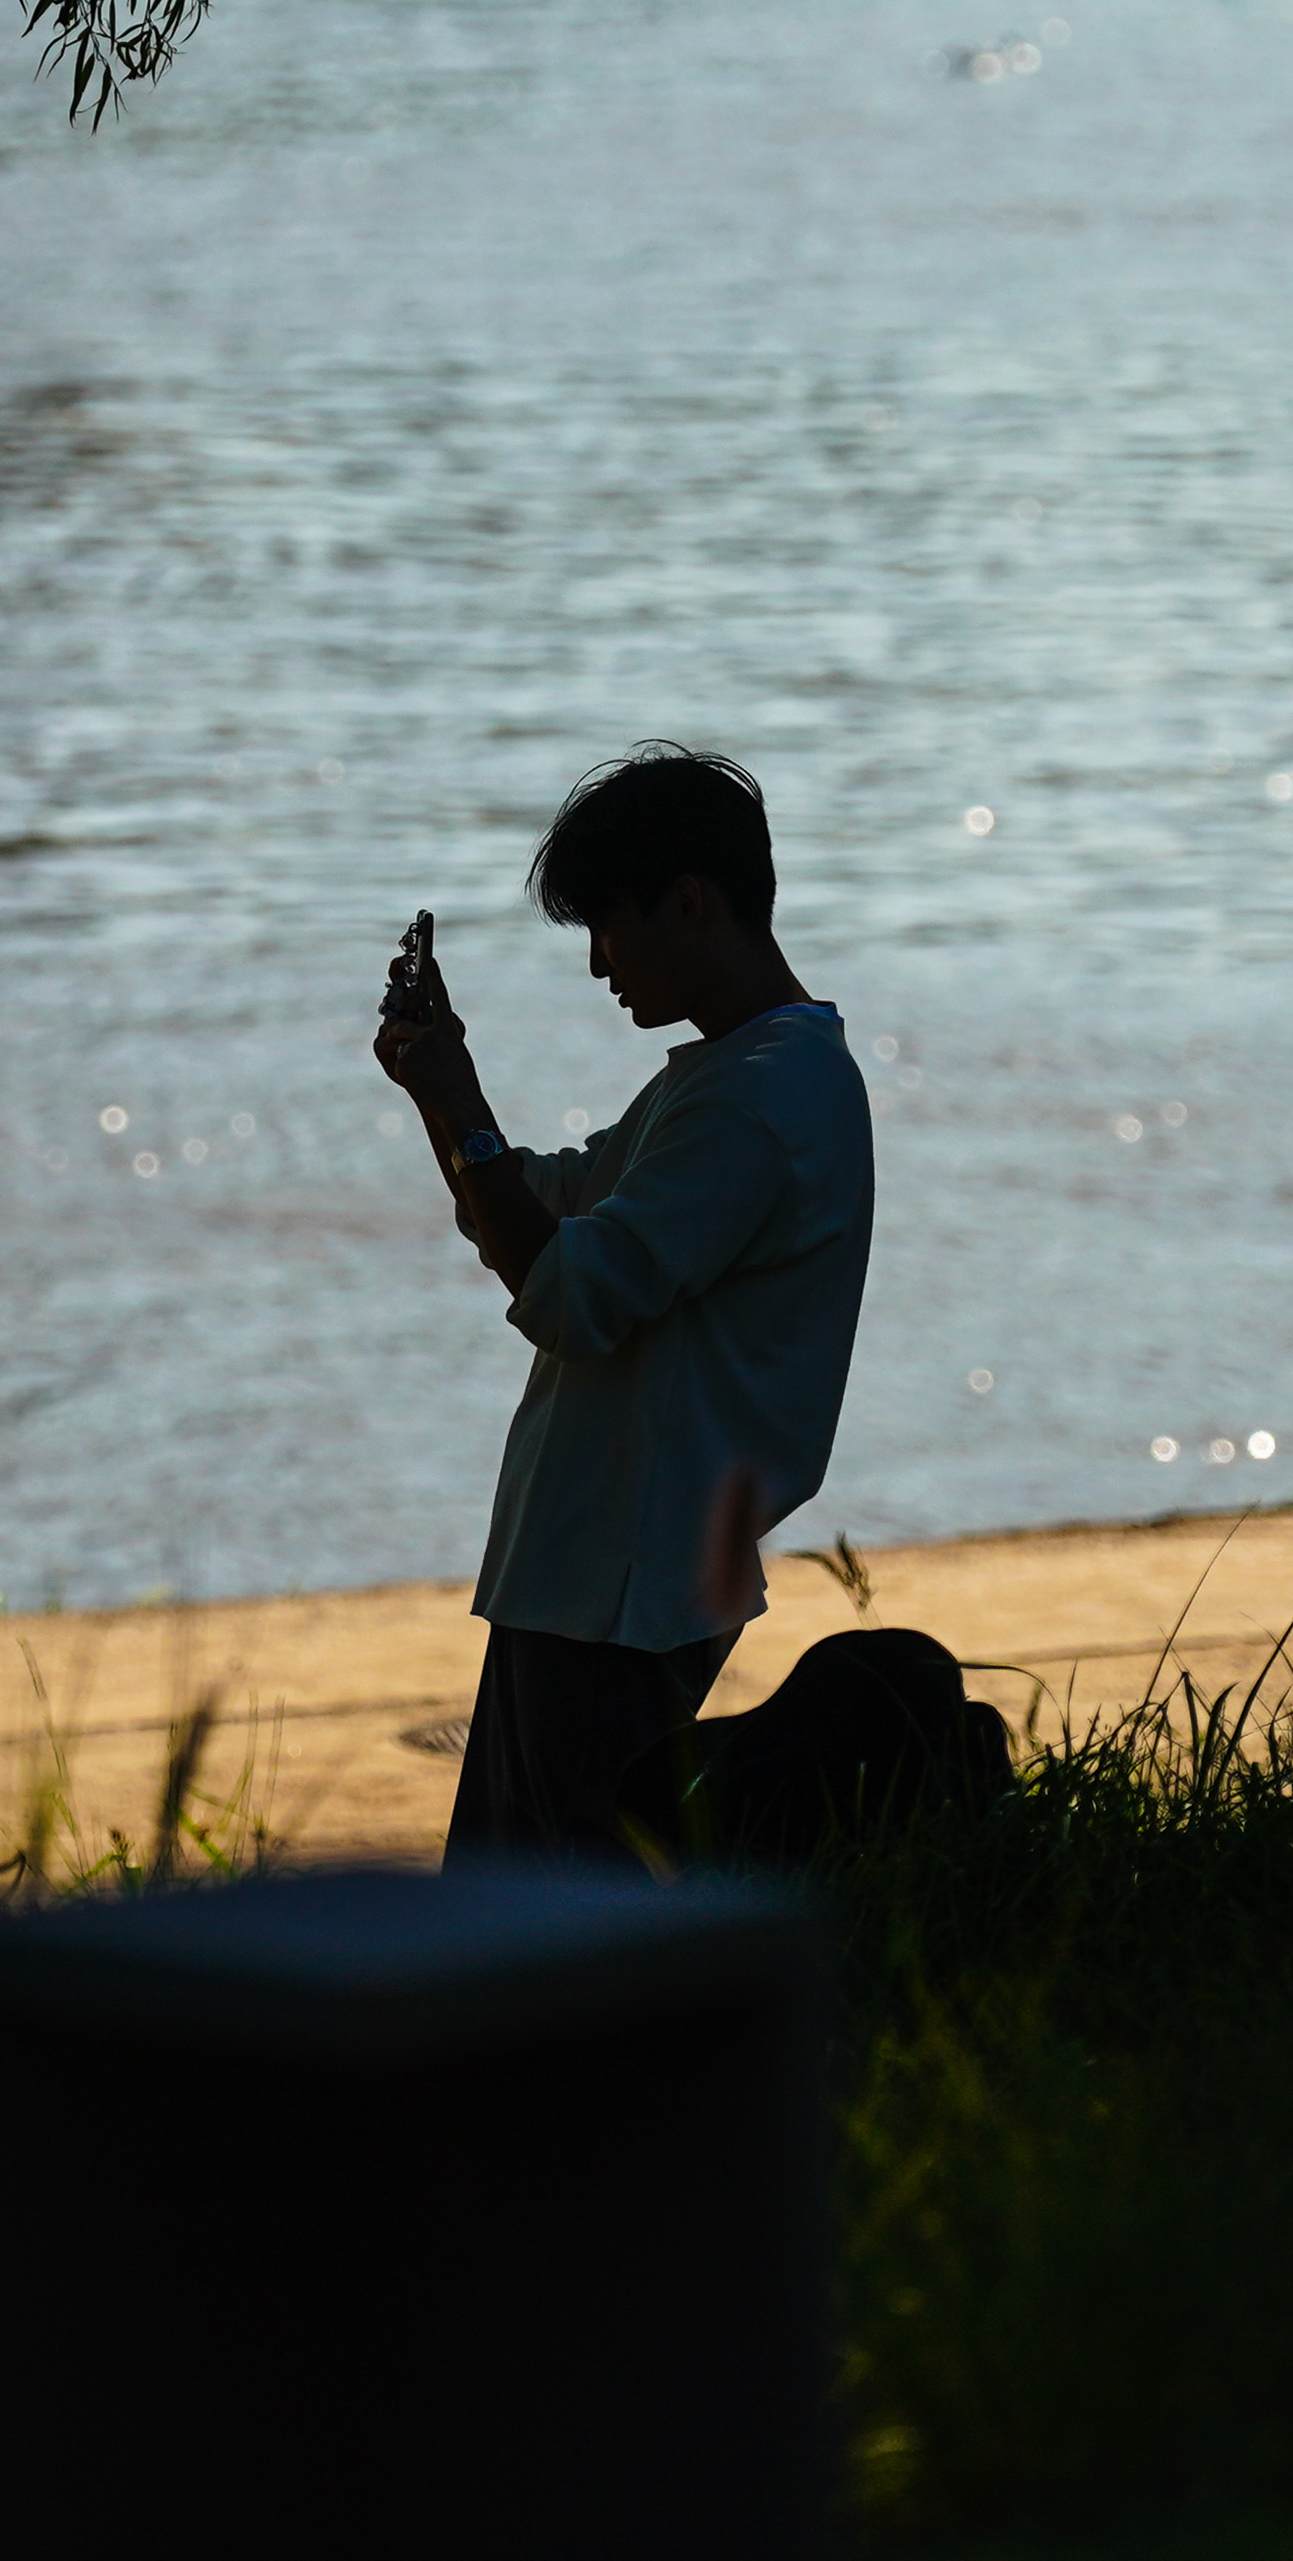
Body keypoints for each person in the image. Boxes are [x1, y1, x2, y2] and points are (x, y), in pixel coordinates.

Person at [371, 745, 871, 1863]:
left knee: (557, 1906)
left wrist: (460, 1101)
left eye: (608, 927)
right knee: (521, 1894)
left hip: (623, 1583)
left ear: (689, 904)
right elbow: (552, 1206)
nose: (600, 965)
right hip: (601, 1572)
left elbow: (567, 1292)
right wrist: (443, 1099)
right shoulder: (742, 1074)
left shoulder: (758, 1099)